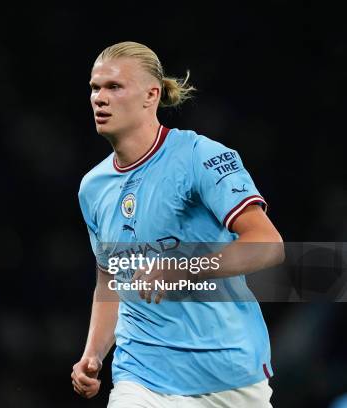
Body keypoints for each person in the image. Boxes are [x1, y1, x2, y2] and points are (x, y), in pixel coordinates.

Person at [71, 41, 284, 407]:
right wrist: (93, 354)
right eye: (95, 87)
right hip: (141, 376)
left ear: (151, 95)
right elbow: (109, 277)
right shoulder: (92, 187)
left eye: (114, 87)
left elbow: (267, 244)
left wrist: (182, 268)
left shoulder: (200, 157)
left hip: (227, 376)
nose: (99, 98)